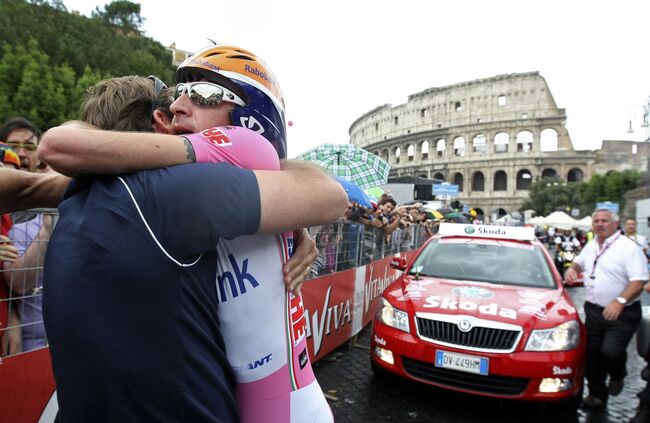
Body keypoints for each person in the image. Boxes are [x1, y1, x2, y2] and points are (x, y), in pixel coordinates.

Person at [38, 51, 344, 421]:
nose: (182, 105)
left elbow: (44, 167)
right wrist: (298, 215)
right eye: (179, 94)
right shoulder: (176, 191)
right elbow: (323, 193)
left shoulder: (83, 194)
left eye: (203, 93)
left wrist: (296, 218)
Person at [565, 209, 649, 409]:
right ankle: (597, 395)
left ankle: (618, 375)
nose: (600, 224)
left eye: (604, 221)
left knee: (610, 351)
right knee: (592, 356)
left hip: (622, 312)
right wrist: (572, 268)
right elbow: (580, 261)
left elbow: (639, 281)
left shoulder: (628, 248)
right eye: (596, 221)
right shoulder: (592, 245)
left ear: (615, 223)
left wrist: (620, 301)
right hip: (594, 310)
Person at [1, 119, 52, 352]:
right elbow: (15, 283)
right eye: (12, 146)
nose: (21, 153)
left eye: (30, 146)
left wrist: (12, 315)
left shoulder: (51, 205)